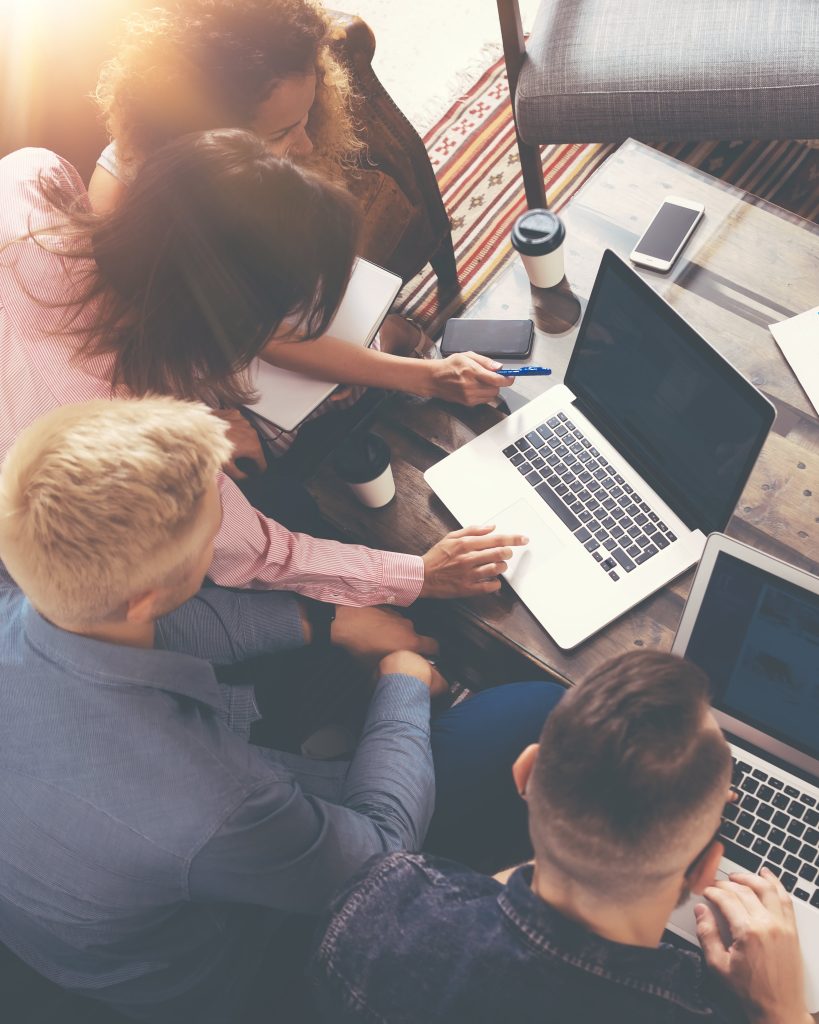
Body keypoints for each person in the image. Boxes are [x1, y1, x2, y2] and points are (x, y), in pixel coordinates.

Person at [0, 396, 564, 1023]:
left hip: (90, 867)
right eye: (214, 533)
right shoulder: (210, 801)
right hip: (227, 966)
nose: (228, 522)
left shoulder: (39, 587)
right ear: (148, 594)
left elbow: (167, 624)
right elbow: (379, 853)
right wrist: (399, 682)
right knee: (539, 710)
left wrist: (323, 620)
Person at [0, 135, 524, 606]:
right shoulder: (144, 452)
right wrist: (421, 574)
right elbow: (259, 555)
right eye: (277, 321)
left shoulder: (30, 177)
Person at [310, 651, 813, 1024]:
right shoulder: (709, 1009)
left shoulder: (384, 898)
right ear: (706, 871)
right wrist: (783, 1007)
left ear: (526, 772)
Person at [87, 0, 512, 428]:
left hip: (260, 302)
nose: (307, 146)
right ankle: (396, 335)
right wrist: (428, 378)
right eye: (282, 132)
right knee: (332, 402)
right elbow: (263, 336)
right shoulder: (132, 203)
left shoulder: (245, 174)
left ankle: (390, 336)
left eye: (306, 117)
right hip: (213, 332)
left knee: (349, 364)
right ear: (207, 139)